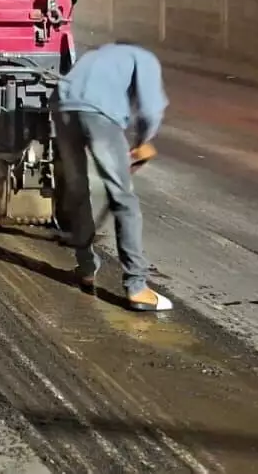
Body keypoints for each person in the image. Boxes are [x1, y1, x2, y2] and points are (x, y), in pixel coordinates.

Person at [53, 40, 173, 312]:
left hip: (61, 107)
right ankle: (137, 287)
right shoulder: (143, 55)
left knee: (78, 191)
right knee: (123, 200)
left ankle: (85, 268)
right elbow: (151, 108)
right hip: (98, 114)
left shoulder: (95, 55)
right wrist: (143, 141)